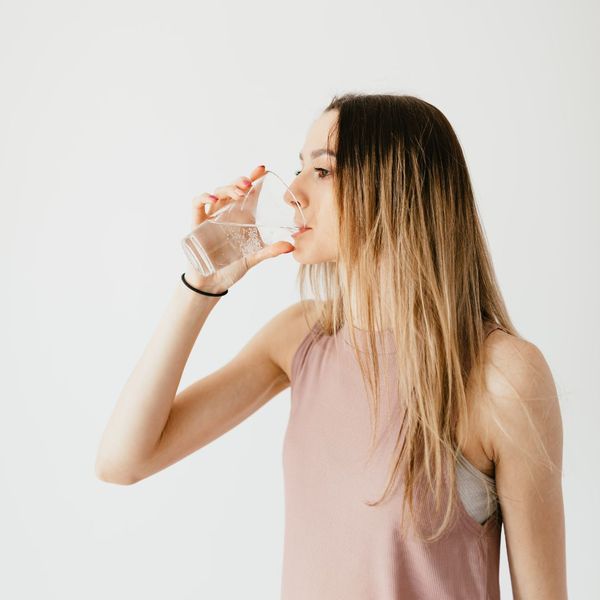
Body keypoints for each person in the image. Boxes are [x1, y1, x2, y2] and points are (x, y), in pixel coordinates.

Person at [95, 93, 567, 599]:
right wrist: (201, 284)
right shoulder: (299, 339)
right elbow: (123, 461)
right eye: (300, 169)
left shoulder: (503, 375)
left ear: (396, 187)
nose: (291, 193)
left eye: (322, 172)